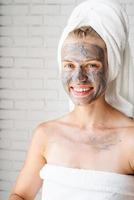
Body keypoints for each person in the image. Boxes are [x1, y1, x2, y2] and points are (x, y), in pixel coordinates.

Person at [9, 0, 134, 200]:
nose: (79, 78)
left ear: (112, 67)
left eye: (92, 65)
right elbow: (20, 195)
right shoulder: (46, 134)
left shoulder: (130, 139)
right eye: (69, 65)